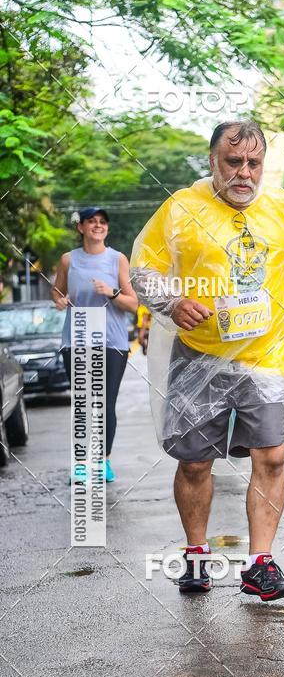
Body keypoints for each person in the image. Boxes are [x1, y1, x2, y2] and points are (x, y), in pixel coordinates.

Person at [130, 120, 284, 600]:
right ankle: (197, 556)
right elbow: (143, 268)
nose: (244, 172)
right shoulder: (181, 208)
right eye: (233, 161)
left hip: (265, 356)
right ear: (213, 161)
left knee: (273, 456)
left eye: (254, 163)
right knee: (196, 463)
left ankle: (260, 562)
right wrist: (174, 303)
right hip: (199, 354)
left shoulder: (283, 206)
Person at [52, 207, 138, 483]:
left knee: (104, 404)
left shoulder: (117, 259)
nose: (98, 226)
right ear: (81, 228)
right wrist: (59, 301)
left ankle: (103, 462)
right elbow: (57, 290)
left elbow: (133, 304)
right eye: (92, 222)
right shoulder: (68, 260)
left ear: (107, 229)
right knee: (82, 403)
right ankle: (80, 465)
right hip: (76, 339)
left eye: (102, 222)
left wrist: (111, 292)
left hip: (111, 341)